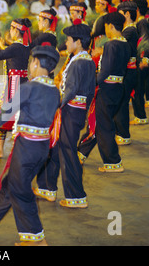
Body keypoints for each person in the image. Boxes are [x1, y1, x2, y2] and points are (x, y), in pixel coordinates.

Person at [0, 44, 60, 246]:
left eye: (31, 62)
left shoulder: (28, 88)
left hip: (26, 148)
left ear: (36, 63)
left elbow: (4, 114)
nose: (29, 66)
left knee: (21, 190)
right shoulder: (54, 91)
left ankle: (36, 238)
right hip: (41, 148)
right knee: (11, 182)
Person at [35, 21, 96, 208]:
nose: (66, 44)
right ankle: (47, 187)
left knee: (68, 153)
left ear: (78, 42)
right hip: (74, 112)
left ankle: (76, 196)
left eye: (69, 40)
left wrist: (54, 105)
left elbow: (69, 91)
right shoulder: (84, 60)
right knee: (57, 149)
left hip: (70, 112)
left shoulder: (79, 63)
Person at [77, 12, 131, 172]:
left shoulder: (111, 45)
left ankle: (113, 162)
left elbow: (105, 71)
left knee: (104, 126)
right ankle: (82, 152)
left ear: (111, 27)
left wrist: (90, 83)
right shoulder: (125, 44)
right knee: (100, 124)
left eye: (106, 26)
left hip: (106, 89)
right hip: (119, 87)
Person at [0, 19, 32, 158]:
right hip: (21, 82)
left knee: (5, 117)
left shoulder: (15, 47)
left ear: (16, 31)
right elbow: (10, 52)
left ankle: (1, 151)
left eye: (11, 29)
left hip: (14, 85)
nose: (10, 32)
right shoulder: (24, 45)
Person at [114, 1, 139, 146]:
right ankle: (121, 132)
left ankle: (123, 134)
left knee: (122, 103)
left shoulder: (129, 31)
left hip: (128, 72)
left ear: (127, 14)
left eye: (120, 14)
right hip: (128, 71)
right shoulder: (129, 30)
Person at [130, 0, 149, 124]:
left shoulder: (141, 22)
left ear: (136, 10)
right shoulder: (140, 22)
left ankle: (141, 116)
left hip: (141, 61)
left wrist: (144, 58)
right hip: (140, 59)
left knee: (138, 89)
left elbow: (145, 40)